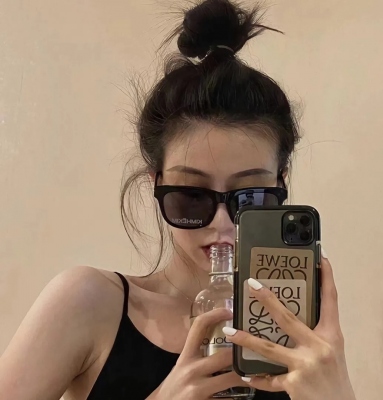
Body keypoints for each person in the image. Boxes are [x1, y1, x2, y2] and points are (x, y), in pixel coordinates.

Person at [0, 1, 357, 399]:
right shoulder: (89, 303)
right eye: (191, 196)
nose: (222, 223)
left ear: (280, 184)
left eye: (250, 197)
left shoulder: (301, 333)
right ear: (157, 183)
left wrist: (337, 392)